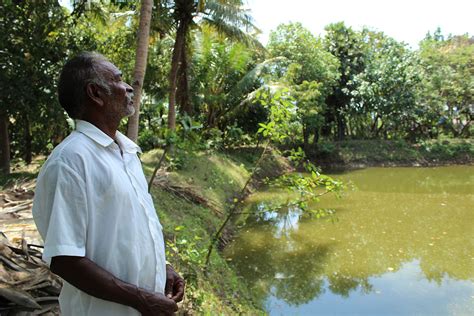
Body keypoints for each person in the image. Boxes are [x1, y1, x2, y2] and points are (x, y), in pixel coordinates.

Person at [32, 52, 184, 315]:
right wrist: (140, 299)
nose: (127, 87)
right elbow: (66, 260)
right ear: (95, 93)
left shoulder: (126, 152)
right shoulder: (70, 161)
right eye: (118, 79)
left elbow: (129, 232)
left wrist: (162, 268)